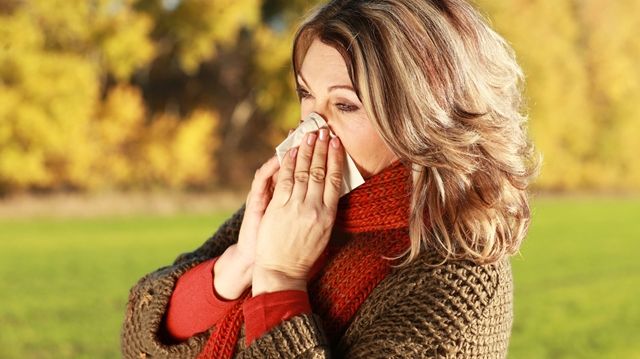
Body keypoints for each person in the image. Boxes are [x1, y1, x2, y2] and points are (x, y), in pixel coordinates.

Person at [120, 0, 540, 357]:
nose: (313, 125)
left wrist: (279, 280)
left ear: (424, 120)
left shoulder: (459, 282)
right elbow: (140, 338)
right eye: (306, 95)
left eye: (346, 105)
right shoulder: (294, 208)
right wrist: (241, 262)